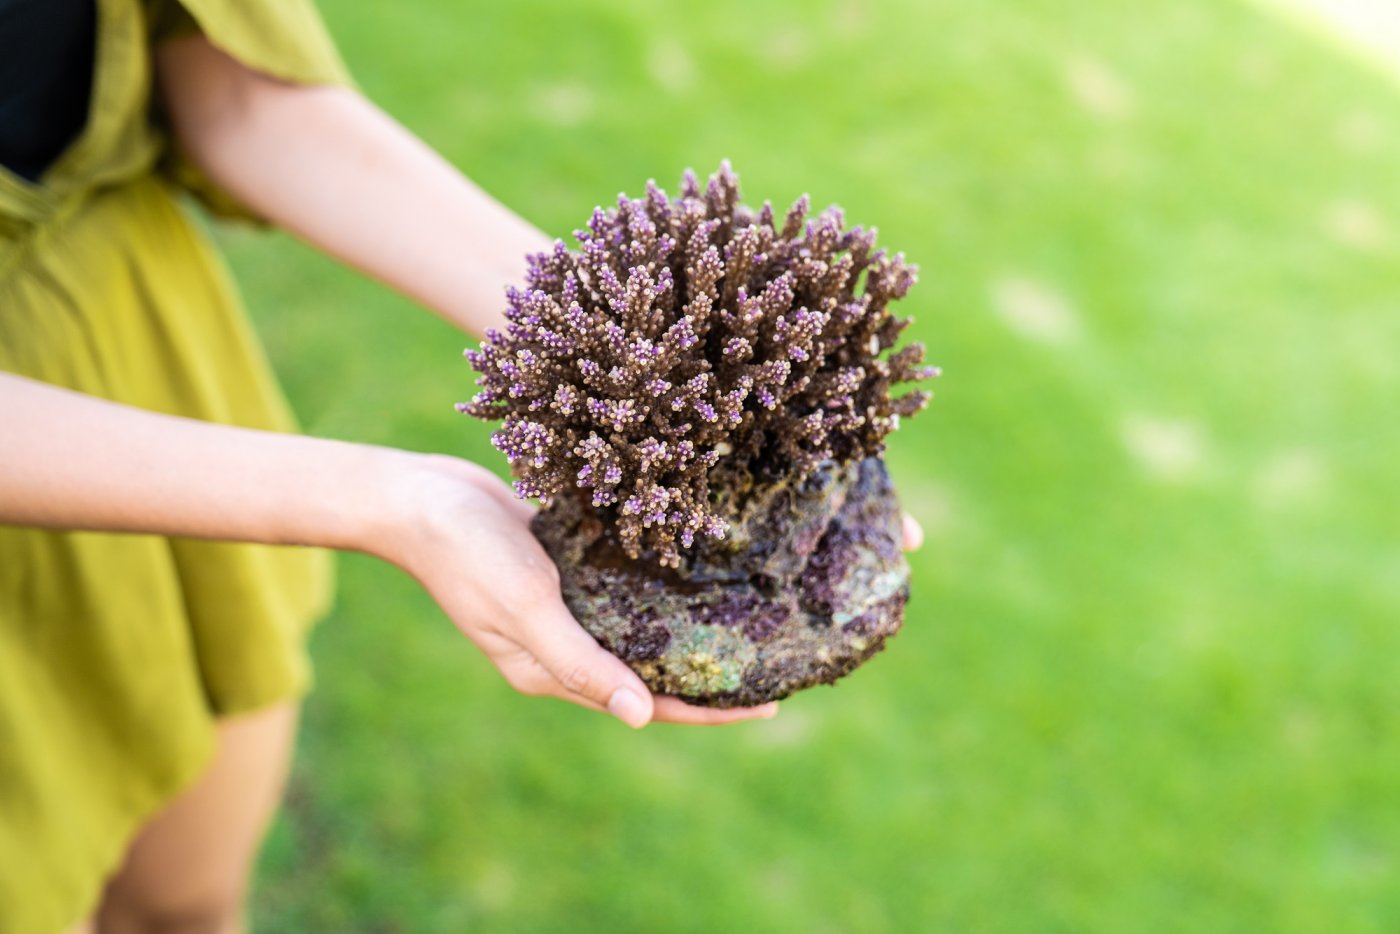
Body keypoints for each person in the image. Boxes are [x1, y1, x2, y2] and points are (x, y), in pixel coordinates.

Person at [0, 1, 924, 931]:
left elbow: (234, 90)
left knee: (187, 908)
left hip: (143, 365)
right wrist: (391, 503)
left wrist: (607, 333)